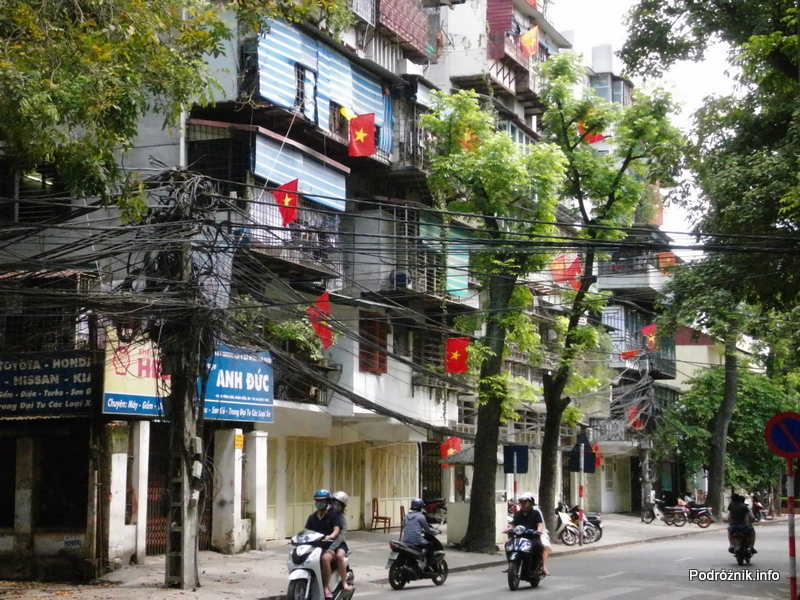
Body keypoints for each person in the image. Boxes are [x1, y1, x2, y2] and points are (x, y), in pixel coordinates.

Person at [304, 489, 345, 599]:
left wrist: (330, 536)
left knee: (325, 559)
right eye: (317, 501)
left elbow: (337, 530)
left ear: (327, 502)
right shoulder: (312, 517)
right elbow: (307, 532)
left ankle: (326, 587)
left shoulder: (334, 516)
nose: (318, 503)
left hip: (329, 546)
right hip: (315, 546)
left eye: (321, 501)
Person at [504, 491, 550, 576]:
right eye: (521, 502)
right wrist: (509, 529)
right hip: (519, 537)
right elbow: (513, 524)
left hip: (532, 537)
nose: (522, 504)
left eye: (525, 502)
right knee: (508, 544)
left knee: (537, 546)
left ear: (531, 502)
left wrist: (538, 530)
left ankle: (541, 567)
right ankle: (510, 564)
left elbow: (539, 524)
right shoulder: (517, 514)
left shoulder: (535, 513)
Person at [400, 497, 438, 572]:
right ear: (420, 507)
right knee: (430, 546)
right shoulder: (420, 517)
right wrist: (436, 532)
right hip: (417, 540)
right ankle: (429, 565)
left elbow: (403, 526)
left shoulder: (406, 516)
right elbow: (427, 529)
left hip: (405, 541)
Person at [329, 491, 353, 593]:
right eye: (334, 503)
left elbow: (341, 535)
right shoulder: (326, 514)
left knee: (339, 557)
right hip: (325, 541)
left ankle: (344, 582)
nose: (335, 506)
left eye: (338, 505)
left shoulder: (343, 518)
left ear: (343, 507)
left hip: (339, 543)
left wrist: (332, 547)